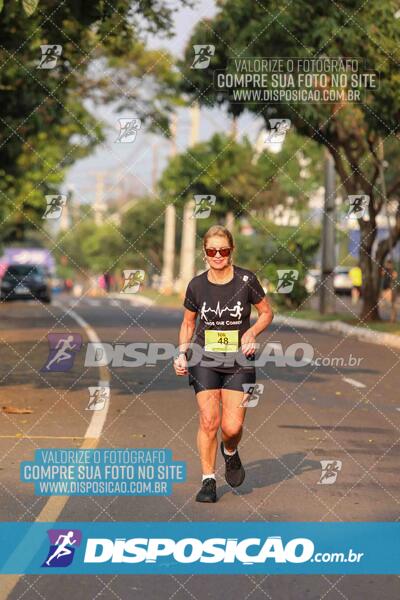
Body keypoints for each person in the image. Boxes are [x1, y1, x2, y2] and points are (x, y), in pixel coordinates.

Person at [174, 225, 274, 503]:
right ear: (204, 254)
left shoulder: (246, 280)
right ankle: (208, 480)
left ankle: (230, 452)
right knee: (209, 421)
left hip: (239, 361)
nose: (218, 255)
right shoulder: (196, 285)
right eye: (212, 251)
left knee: (231, 428)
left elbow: (266, 312)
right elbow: (188, 322)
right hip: (204, 358)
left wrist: (252, 332)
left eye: (223, 250)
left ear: (231, 252)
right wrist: (181, 353)